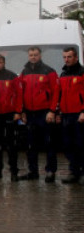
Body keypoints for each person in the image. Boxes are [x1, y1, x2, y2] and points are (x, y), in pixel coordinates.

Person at [19, 47, 59, 182]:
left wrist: (52, 111)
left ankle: (50, 171)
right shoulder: (24, 72)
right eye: (31, 55)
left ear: (40, 55)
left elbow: (55, 92)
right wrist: (22, 111)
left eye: (36, 55)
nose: (33, 57)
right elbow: (20, 92)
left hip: (45, 113)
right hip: (30, 113)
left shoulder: (49, 71)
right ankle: (33, 171)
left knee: (49, 143)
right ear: (28, 56)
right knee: (31, 144)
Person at [58, 47, 84, 184]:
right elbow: (60, 94)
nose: (66, 60)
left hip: (79, 115)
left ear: (76, 58)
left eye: (69, 57)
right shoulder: (63, 74)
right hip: (66, 114)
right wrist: (58, 112)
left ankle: (78, 171)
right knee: (68, 145)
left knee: (80, 144)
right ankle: (75, 171)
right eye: (64, 57)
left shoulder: (82, 72)